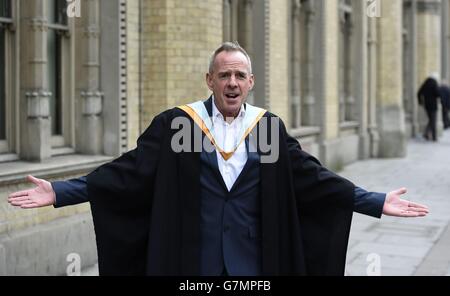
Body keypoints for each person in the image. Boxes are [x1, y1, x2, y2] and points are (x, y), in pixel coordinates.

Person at [8, 42, 429, 276]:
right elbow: (129, 171)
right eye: (223, 74)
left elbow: (314, 179)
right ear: (210, 80)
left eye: (239, 75)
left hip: (254, 263)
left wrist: (374, 201)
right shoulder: (181, 125)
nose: (231, 82)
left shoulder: (267, 129)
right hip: (192, 260)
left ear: (251, 82)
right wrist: (61, 190)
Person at [418, 74, 441, 141]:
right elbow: (438, 93)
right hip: (433, 105)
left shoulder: (425, 83)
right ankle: (434, 137)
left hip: (426, 105)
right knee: (433, 120)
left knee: (431, 120)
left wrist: (420, 102)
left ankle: (426, 134)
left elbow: (419, 92)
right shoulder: (434, 83)